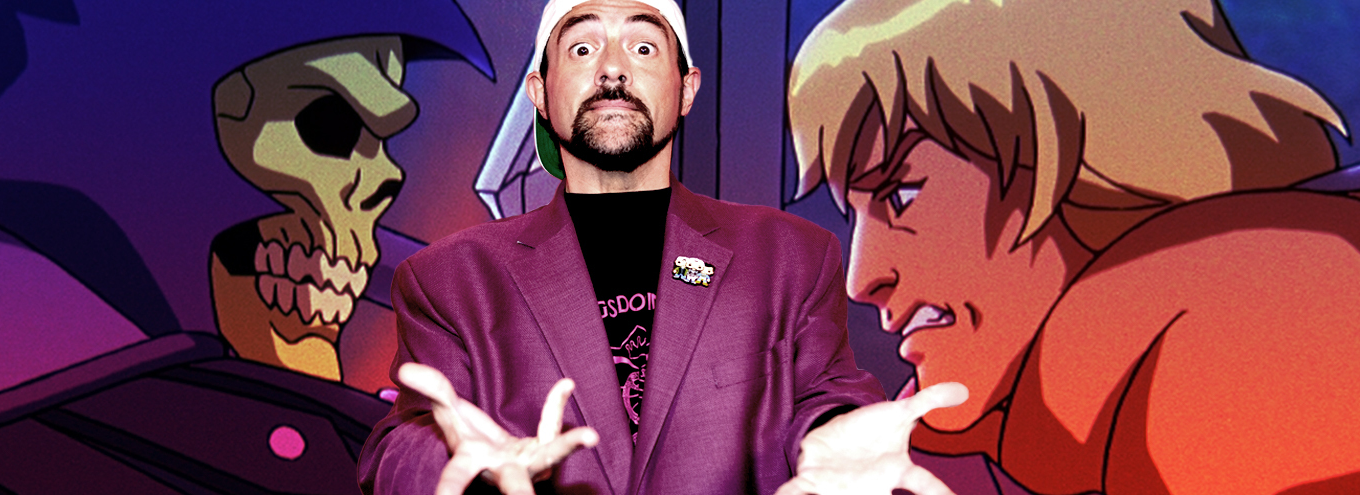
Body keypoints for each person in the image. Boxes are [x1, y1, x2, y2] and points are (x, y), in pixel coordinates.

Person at [788, 0, 1360, 493]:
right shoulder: (1013, 405)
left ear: (1082, 159)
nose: (862, 277)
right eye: (857, 213)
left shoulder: (1239, 318)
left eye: (902, 194)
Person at [356, 0, 967, 493]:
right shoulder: (450, 278)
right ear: (539, 92)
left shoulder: (791, 256)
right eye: (582, 47)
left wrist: (837, 434)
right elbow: (399, 444)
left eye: (643, 47)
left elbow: (826, 396)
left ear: (687, 88)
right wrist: (450, 462)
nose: (612, 68)